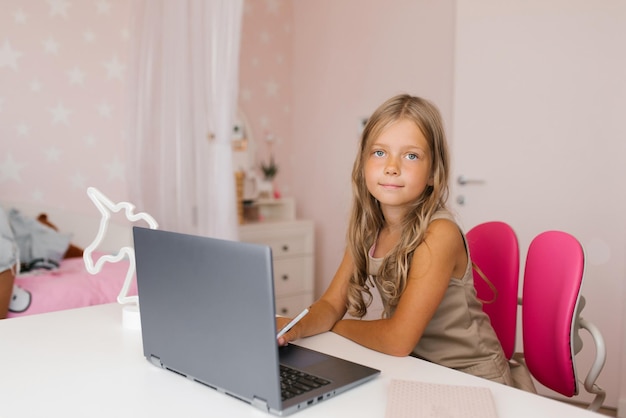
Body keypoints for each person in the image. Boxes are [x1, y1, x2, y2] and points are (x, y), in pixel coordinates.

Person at [276, 94, 535, 391]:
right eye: (379, 152)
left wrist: (332, 326)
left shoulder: (438, 234)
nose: (392, 167)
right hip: (416, 369)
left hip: (473, 378)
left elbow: (398, 339)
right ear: (363, 163)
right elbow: (332, 304)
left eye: (411, 156)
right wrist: (294, 326)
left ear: (432, 173)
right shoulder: (370, 230)